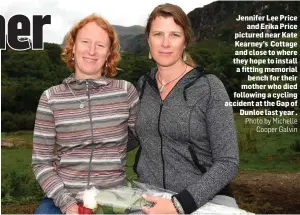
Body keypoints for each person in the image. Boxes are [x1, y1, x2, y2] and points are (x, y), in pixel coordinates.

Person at [133, 3, 239, 214]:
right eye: (158, 34)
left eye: (174, 35)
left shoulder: (209, 87)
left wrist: (179, 205)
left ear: (185, 41)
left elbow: (228, 162)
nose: (165, 43)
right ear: (148, 40)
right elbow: (133, 135)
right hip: (150, 196)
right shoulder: (143, 86)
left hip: (203, 199)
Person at [32, 14, 139, 214]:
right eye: (85, 42)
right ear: (73, 47)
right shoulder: (50, 98)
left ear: (109, 53)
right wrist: (67, 204)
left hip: (115, 201)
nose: (91, 50)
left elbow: (140, 138)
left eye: (100, 45)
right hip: (62, 201)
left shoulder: (125, 91)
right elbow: (41, 162)